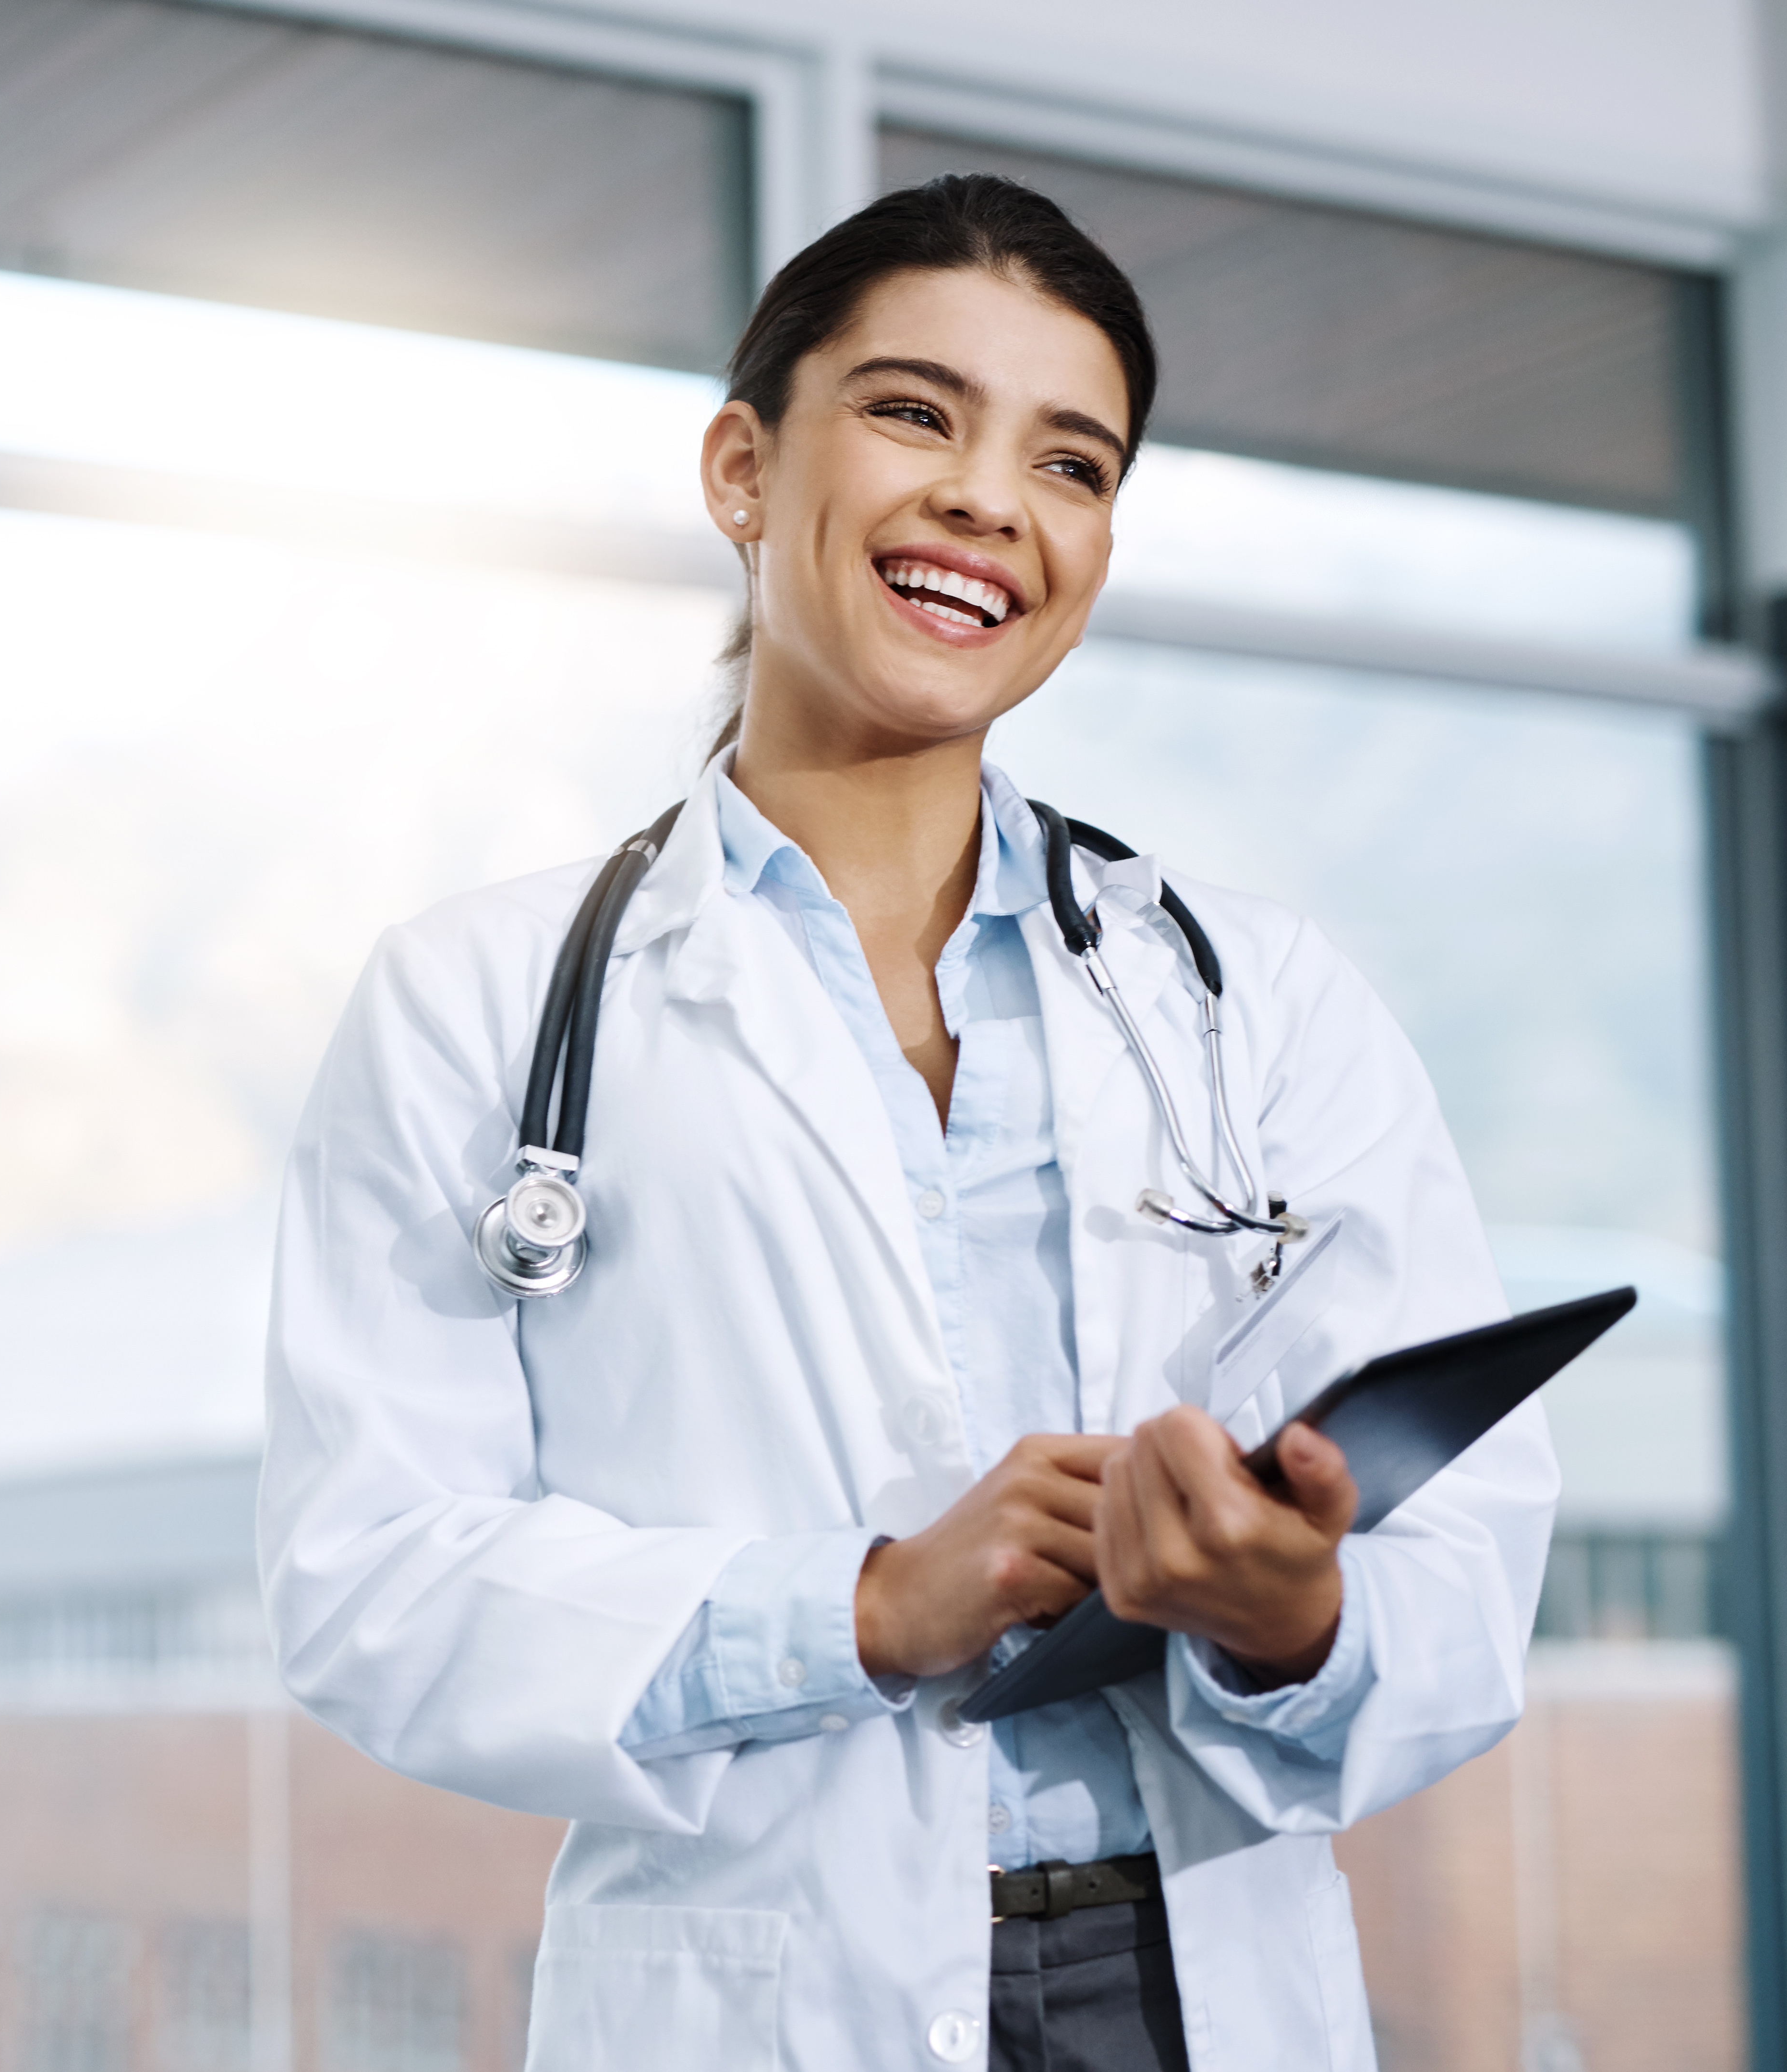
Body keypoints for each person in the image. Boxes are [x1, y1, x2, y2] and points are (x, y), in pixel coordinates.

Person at [259, 174, 1556, 2072]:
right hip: (764, 1995)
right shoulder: (472, 998)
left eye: (1069, 460)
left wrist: (1291, 1618)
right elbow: (367, 1576)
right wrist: (864, 1602)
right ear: (739, 467)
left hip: (1196, 1985)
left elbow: (1459, 1561)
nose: (985, 501)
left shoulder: (1255, 1001)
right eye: (912, 412)